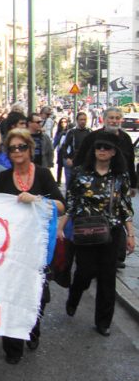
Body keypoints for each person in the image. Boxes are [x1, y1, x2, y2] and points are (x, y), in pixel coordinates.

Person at [0, 128, 64, 365]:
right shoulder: (3, 178)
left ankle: (33, 327)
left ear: (30, 149)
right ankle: (13, 346)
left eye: (21, 147)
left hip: (38, 246)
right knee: (11, 292)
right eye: (12, 148)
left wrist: (37, 200)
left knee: (37, 294)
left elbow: (61, 206)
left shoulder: (43, 175)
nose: (17, 152)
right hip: (11, 246)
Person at [60, 131, 134, 336]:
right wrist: (61, 226)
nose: (102, 150)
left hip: (111, 232)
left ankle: (103, 322)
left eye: (106, 148)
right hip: (85, 230)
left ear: (113, 153)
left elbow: (125, 206)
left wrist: (130, 234)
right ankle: (74, 294)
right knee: (85, 272)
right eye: (98, 147)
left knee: (107, 277)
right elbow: (72, 203)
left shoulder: (120, 176)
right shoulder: (80, 174)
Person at [73, 107, 137, 269]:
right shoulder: (93, 137)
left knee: (119, 219)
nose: (114, 121)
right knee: (101, 220)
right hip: (96, 186)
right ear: (104, 119)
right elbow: (79, 160)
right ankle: (97, 252)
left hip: (119, 185)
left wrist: (134, 185)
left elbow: (130, 163)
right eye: (111, 118)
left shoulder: (126, 138)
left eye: (117, 118)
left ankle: (116, 256)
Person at [62, 112, 90, 186]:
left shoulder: (89, 132)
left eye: (84, 119)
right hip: (73, 161)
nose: (83, 121)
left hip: (85, 162)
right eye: (81, 119)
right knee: (70, 184)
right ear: (77, 120)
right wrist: (67, 158)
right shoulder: (72, 132)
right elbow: (64, 146)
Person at [52, 117, 69, 185]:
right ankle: (58, 181)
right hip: (60, 151)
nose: (63, 123)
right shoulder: (58, 132)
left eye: (65, 122)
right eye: (62, 122)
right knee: (59, 166)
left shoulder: (69, 131)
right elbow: (55, 142)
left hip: (66, 151)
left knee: (66, 167)